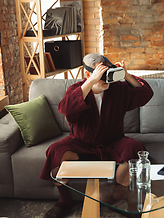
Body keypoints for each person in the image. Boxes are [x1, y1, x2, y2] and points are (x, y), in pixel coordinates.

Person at [40, 53, 154, 218]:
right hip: (81, 142)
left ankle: (116, 197)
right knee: (55, 150)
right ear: (88, 74)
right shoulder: (77, 89)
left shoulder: (118, 89)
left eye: (108, 74)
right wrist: (91, 82)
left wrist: (125, 74)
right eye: (102, 75)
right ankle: (64, 201)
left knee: (135, 148)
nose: (106, 80)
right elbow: (66, 109)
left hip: (114, 141)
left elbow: (145, 94)